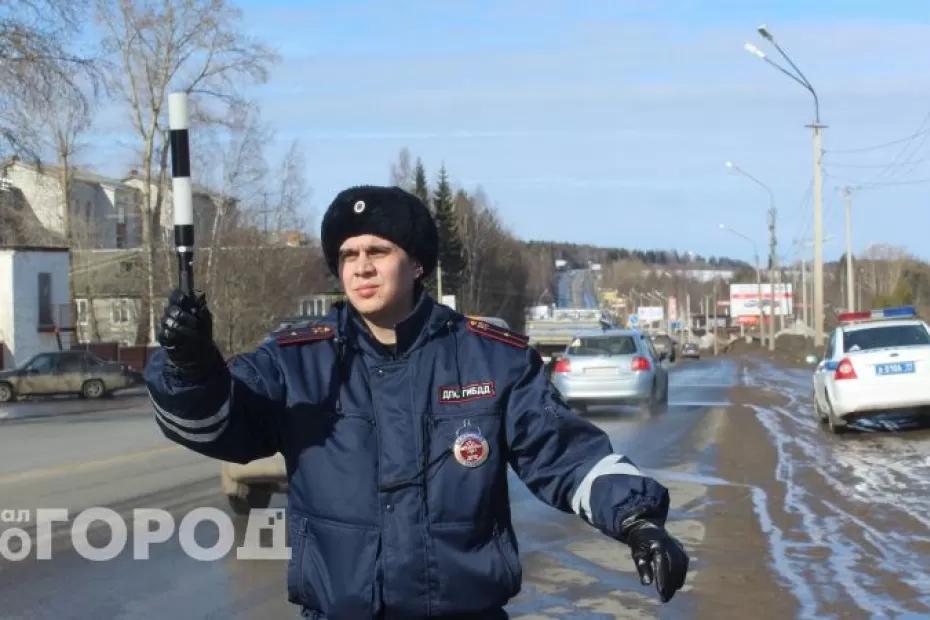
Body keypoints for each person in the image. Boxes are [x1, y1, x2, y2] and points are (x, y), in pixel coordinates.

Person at [146, 185, 688, 619]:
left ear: (418, 265)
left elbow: (563, 454)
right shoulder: (297, 360)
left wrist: (637, 519)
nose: (360, 267)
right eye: (348, 255)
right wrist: (190, 366)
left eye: (378, 251)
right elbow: (220, 428)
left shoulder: (489, 359)